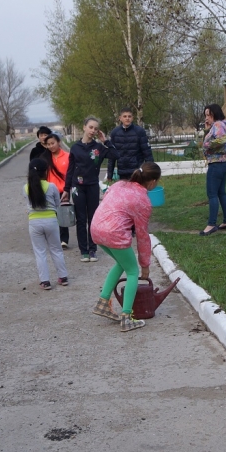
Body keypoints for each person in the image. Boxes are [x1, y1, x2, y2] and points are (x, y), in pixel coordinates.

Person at [90, 162, 162, 333]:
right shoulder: (143, 201)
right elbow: (143, 236)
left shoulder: (119, 184)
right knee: (132, 272)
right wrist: (145, 264)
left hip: (96, 229)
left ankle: (103, 304)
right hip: (114, 233)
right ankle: (126, 317)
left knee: (122, 264)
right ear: (152, 182)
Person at [66, 116, 112, 262]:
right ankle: (83, 251)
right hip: (77, 188)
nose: (93, 130)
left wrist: (105, 141)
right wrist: (66, 190)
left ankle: (93, 249)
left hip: (92, 186)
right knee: (81, 219)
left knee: (93, 219)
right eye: (90, 127)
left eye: (96, 128)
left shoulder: (98, 148)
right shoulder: (75, 148)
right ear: (84, 127)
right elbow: (70, 169)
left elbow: (116, 155)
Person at [25, 158, 69, 289]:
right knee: (56, 249)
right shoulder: (52, 187)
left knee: (40, 252)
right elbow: (57, 203)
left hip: (34, 222)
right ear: (46, 172)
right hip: (51, 221)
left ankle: (45, 281)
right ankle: (63, 277)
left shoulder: (26, 188)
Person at [199, 104, 226, 235]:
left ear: (215, 113)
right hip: (223, 162)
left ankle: (211, 224)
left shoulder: (218, 125)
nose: (207, 118)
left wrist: (206, 145)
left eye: (209, 115)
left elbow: (221, 140)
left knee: (212, 194)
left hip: (216, 163)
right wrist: (207, 131)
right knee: (221, 193)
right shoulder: (220, 125)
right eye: (206, 115)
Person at [107, 107, 152, 181]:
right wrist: (110, 175)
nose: (127, 118)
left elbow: (147, 153)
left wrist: (151, 172)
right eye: (124, 116)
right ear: (120, 118)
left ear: (132, 118)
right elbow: (112, 155)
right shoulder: (115, 133)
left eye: (129, 116)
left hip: (137, 172)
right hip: (122, 172)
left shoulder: (139, 131)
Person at [43, 134, 72, 249]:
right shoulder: (45, 158)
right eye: (48, 144)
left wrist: (68, 189)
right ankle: (53, 239)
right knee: (51, 215)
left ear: (59, 142)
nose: (51, 146)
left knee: (62, 215)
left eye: (53, 143)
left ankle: (64, 240)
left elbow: (70, 174)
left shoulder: (68, 156)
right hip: (49, 190)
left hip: (63, 191)